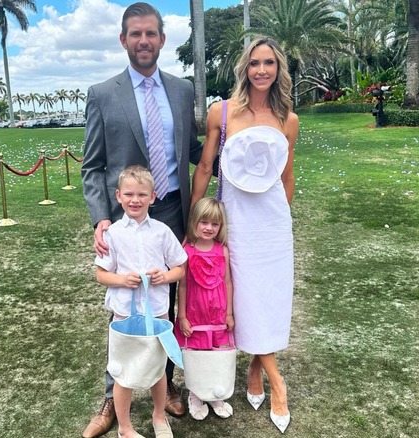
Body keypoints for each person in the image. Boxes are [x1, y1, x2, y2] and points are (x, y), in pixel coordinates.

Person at [80, 2, 208, 437]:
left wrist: (236, 152)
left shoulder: (182, 90)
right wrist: (100, 217)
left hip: (171, 209)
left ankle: (165, 385)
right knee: (122, 310)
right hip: (122, 217)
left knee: (163, 302)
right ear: (123, 40)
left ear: (162, 39)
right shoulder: (102, 93)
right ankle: (111, 395)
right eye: (135, 34)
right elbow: (92, 165)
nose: (143, 41)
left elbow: (192, 149)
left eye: (150, 33)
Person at [190, 36, 299, 434]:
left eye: (269, 63)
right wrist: (193, 218)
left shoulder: (289, 119)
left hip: (271, 224)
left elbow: (285, 176)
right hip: (235, 219)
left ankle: (256, 365)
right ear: (244, 68)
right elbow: (204, 167)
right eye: (255, 63)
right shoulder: (222, 112)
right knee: (243, 295)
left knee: (268, 297)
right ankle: (277, 382)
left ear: (278, 69)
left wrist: (279, 217)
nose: (262, 70)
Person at [94, 165, 187, 438]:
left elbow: (181, 267)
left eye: (142, 194)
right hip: (124, 314)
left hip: (157, 312)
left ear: (153, 196)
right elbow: (101, 275)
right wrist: (122, 280)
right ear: (118, 196)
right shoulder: (112, 235)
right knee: (124, 372)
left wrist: (165, 276)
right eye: (129, 194)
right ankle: (125, 428)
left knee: (157, 369)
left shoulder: (161, 231)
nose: (135, 200)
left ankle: (159, 416)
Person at [173, 197, 234, 420]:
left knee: (216, 353)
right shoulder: (186, 251)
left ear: (221, 226)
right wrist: (182, 316)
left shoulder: (223, 251)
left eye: (215, 224)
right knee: (196, 354)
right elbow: (184, 285)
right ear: (195, 222)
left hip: (217, 314)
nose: (209, 228)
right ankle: (196, 393)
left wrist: (228, 313)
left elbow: (228, 282)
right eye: (204, 222)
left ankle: (214, 392)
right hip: (195, 314)